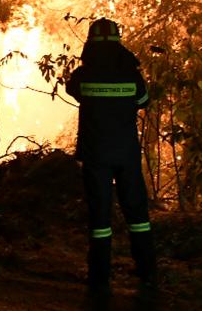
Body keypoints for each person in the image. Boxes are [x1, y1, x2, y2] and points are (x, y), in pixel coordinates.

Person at [66, 18, 156, 292]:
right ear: (119, 40)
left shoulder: (83, 75)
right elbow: (143, 100)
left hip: (96, 154)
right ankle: (147, 271)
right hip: (126, 153)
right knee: (137, 214)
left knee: (100, 217)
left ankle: (99, 275)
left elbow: (73, 91)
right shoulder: (130, 72)